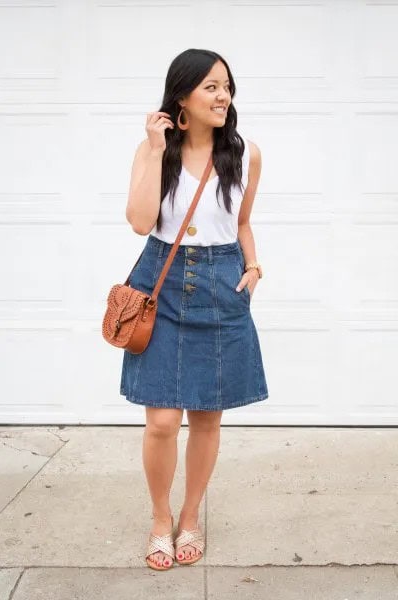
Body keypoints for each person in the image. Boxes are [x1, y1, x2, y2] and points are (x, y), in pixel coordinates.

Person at [120, 48, 269, 571]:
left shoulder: (246, 152)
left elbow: (242, 221)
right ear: (180, 96)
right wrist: (154, 146)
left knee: (207, 416)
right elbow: (141, 223)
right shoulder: (154, 150)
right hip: (162, 280)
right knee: (161, 420)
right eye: (209, 86)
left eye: (226, 86)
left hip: (222, 282)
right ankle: (160, 518)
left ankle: (189, 517)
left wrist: (252, 268)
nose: (222, 95)